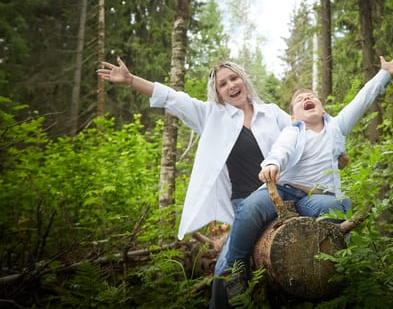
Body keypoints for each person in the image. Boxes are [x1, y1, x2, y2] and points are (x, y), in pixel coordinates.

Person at [97, 57, 292, 307]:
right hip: (243, 205)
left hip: (280, 198)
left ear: (243, 80)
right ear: (218, 93)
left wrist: (335, 150)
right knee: (227, 264)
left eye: (234, 78)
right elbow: (172, 98)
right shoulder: (212, 115)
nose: (231, 85)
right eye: (223, 84)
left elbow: (302, 132)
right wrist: (130, 80)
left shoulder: (273, 113)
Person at [221, 55, 393, 303]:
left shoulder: (337, 128)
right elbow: (281, 151)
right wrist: (272, 165)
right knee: (250, 207)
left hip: (315, 198)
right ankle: (235, 270)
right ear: (294, 116)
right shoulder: (292, 131)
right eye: (299, 100)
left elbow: (362, 100)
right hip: (286, 190)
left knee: (337, 208)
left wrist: (384, 74)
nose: (306, 99)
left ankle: (334, 271)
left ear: (323, 109)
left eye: (311, 97)